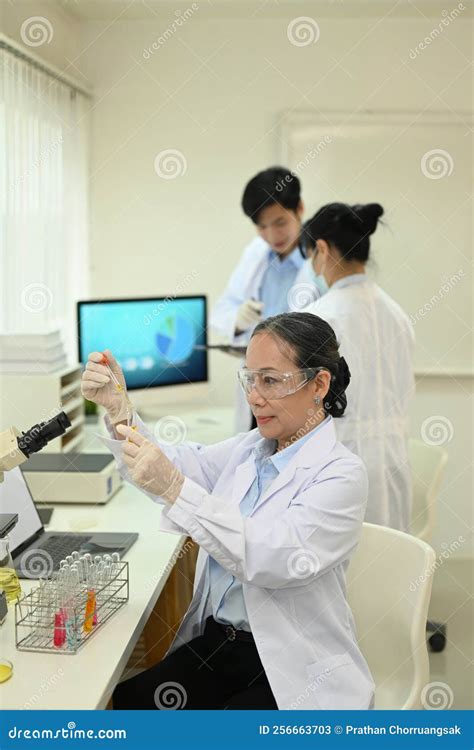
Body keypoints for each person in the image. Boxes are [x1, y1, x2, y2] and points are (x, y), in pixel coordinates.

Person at [81, 313, 374, 711]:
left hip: (290, 664)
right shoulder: (251, 449)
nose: (254, 396)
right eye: (250, 379)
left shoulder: (341, 475)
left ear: (319, 384)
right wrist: (121, 414)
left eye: (270, 380)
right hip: (223, 644)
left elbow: (272, 558)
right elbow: (181, 466)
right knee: (131, 703)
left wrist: (175, 488)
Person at [302, 202, 415, 531]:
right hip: (393, 462)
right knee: (393, 564)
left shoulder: (321, 317)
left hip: (340, 465)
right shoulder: (398, 315)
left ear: (322, 249)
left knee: (347, 572)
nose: (315, 267)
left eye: (312, 257)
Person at [210, 166, 322, 431]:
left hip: (297, 387)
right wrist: (238, 320)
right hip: (258, 385)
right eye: (262, 227)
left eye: (280, 223)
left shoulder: (320, 259)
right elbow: (224, 308)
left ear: (300, 209)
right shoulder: (255, 254)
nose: (272, 236)